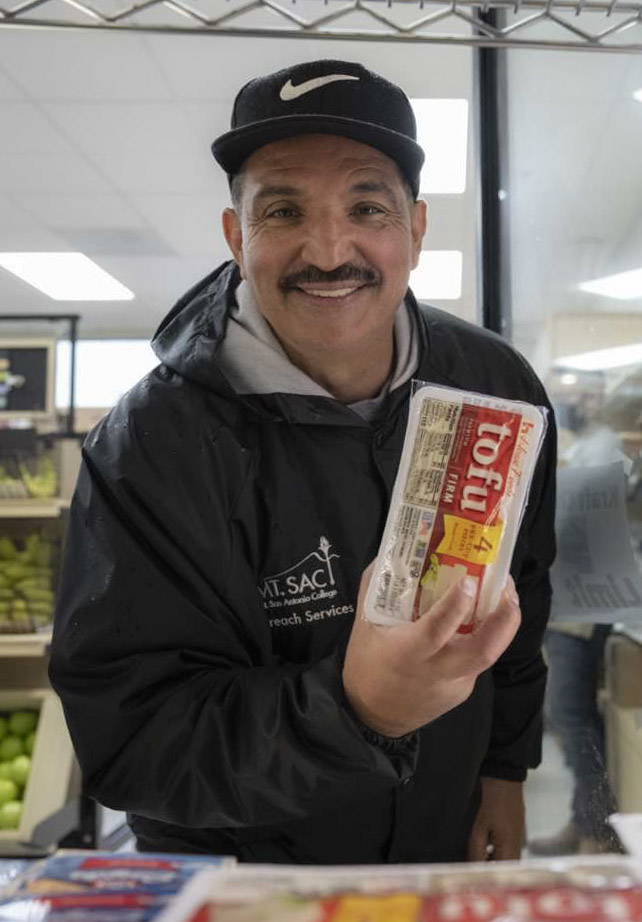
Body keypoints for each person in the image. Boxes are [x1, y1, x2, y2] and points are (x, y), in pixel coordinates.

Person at [49, 59, 556, 865]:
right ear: (235, 235)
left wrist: (504, 767)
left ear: (416, 231)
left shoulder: (494, 387)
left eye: (367, 206)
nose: (328, 250)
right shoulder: (151, 444)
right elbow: (134, 736)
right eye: (283, 209)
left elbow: (520, 591)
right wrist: (358, 710)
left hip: (440, 839)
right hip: (242, 875)